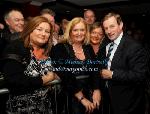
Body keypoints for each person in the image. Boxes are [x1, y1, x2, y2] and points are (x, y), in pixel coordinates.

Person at [1, 16, 57, 114]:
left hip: (45, 106)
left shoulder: (49, 51)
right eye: (39, 29)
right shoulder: (15, 47)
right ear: (30, 30)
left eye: (47, 31)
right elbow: (14, 81)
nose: (43, 34)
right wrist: (44, 80)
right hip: (21, 108)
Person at [51, 17, 101, 114]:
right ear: (69, 31)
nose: (79, 33)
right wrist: (81, 98)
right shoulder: (59, 48)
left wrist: (96, 89)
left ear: (86, 32)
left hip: (90, 94)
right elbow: (65, 74)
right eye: (75, 30)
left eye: (82, 30)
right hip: (70, 96)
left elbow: (95, 70)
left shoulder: (88, 47)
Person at [100, 12, 148, 114]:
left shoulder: (134, 46)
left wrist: (112, 74)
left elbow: (140, 75)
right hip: (109, 100)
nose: (109, 31)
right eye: (106, 28)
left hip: (128, 103)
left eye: (112, 26)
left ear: (120, 25)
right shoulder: (106, 44)